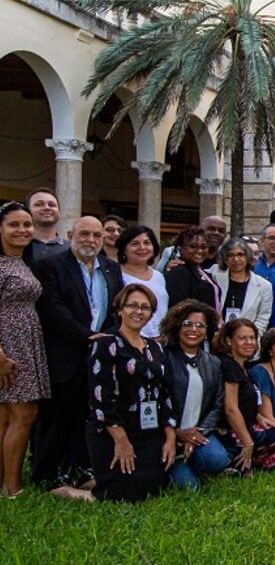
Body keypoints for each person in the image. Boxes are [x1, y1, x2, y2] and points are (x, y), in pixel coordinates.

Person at [31, 216, 123, 489]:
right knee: (57, 418)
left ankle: (80, 469)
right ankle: (45, 474)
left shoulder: (110, 268)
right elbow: (53, 308)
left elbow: (118, 306)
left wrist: (105, 336)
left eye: (96, 235)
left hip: (98, 355)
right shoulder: (51, 266)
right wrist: (86, 336)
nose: (91, 240)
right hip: (66, 354)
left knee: (88, 416)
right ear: (71, 235)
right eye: (84, 234)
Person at [81, 284, 177, 502]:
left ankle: (100, 478)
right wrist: (120, 439)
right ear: (120, 309)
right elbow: (100, 396)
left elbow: (166, 393)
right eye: (132, 305)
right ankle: (72, 492)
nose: (138, 311)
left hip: (148, 430)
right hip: (113, 430)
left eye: (145, 307)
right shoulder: (106, 344)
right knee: (123, 495)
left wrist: (170, 435)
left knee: (153, 489)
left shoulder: (156, 348)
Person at [211, 318, 275, 474]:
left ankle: (246, 462)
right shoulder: (228, 365)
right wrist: (248, 443)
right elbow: (231, 409)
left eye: (252, 338)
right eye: (242, 338)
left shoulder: (243, 366)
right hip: (230, 430)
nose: (249, 342)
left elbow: (246, 403)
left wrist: (260, 418)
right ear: (228, 341)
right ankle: (238, 460)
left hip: (248, 424)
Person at [0, 201, 48, 497]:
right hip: (8, 348)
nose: (22, 230)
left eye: (26, 224)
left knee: (6, 417)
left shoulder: (21, 262)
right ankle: (14, 488)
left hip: (26, 343)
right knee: (25, 414)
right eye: (14, 225)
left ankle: (5, 482)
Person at [160, 301, 229, 490]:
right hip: (167, 434)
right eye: (187, 324)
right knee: (191, 489)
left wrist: (197, 434)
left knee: (218, 460)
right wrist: (176, 433)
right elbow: (158, 401)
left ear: (208, 331)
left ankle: (191, 460)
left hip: (198, 432)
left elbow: (218, 403)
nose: (194, 329)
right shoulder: (163, 358)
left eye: (200, 325)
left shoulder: (213, 363)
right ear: (176, 326)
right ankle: (175, 463)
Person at [211, 238, 274, 334]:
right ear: (225, 259)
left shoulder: (264, 286)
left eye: (240, 255)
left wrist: (250, 340)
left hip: (247, 341)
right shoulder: (214, 276)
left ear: (248, 257)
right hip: (218, 339)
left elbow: (263, 320)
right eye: (230, 255)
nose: (236, 259)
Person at [163, 226, 221, 309]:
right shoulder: (179, 271)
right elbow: (178, 307)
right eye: (193, 246)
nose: (200, 251)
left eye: (204, 247)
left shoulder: (202, 272)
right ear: (181, 248)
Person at [24, 188, 67, 262]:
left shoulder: (71, 249)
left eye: (51, 205)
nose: (47, 208)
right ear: (27, 211)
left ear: (59, 211)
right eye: (39, 204)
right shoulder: (19, 246)